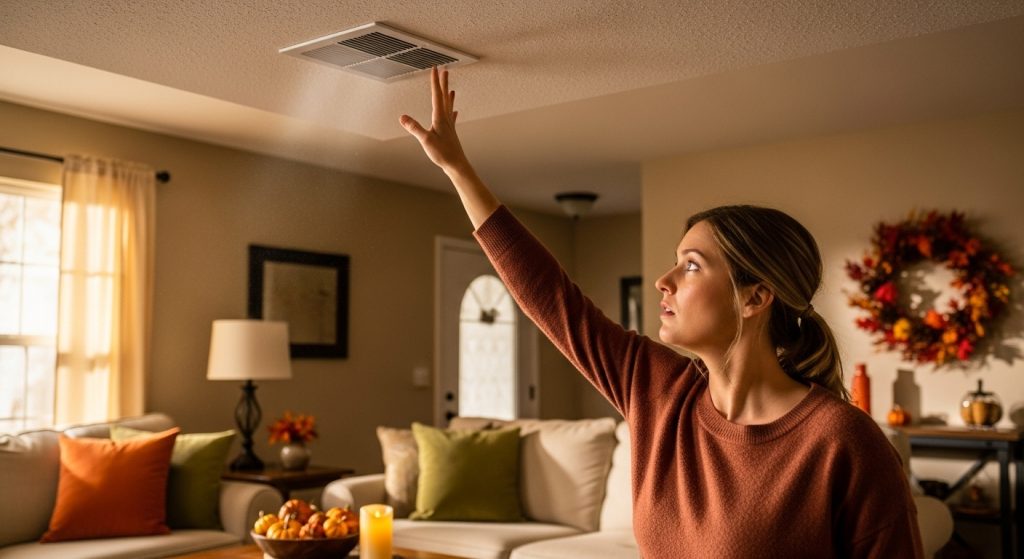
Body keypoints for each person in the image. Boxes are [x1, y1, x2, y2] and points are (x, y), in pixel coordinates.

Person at [400, 66, 923, 558]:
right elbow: (548, 296)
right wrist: (457, 168)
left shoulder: (843, 443)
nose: (663, 282)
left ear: (755, 297)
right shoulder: (656, 389)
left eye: (691, 267)